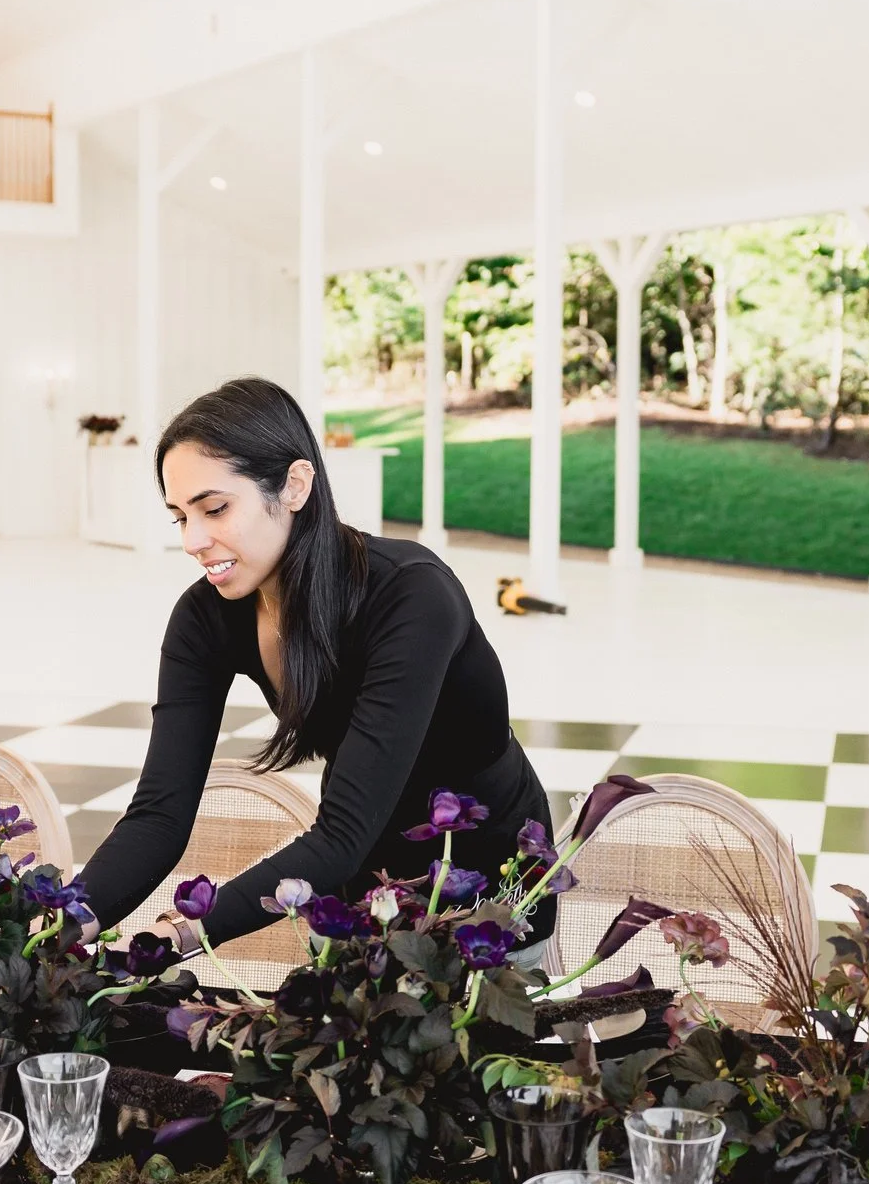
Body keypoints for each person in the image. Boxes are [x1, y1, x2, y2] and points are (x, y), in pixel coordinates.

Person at [75, 377, 551, 955]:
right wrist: (65, 920)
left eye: (216, 509)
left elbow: (342, 834)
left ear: (296, 485)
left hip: (487, 878)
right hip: (364, 875)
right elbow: (158, 816)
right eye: (180, 516)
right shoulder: (206, 616)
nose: (193, 540)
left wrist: (188, 933)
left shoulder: (411, 595)